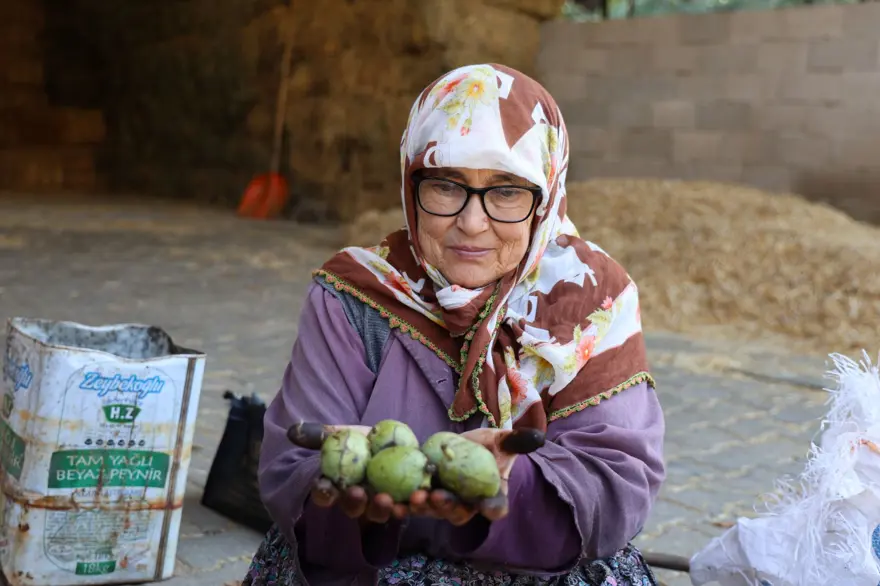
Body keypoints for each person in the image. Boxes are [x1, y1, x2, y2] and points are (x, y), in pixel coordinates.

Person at [244, 63, 665, 586]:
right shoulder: (355, 293)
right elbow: (289, 470)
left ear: (546, 197)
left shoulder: (591, 299)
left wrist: (507, 489)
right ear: (410, 181)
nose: (471, 221)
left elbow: (618, 484)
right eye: (446, 185)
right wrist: (353, 492)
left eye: (507, 191)